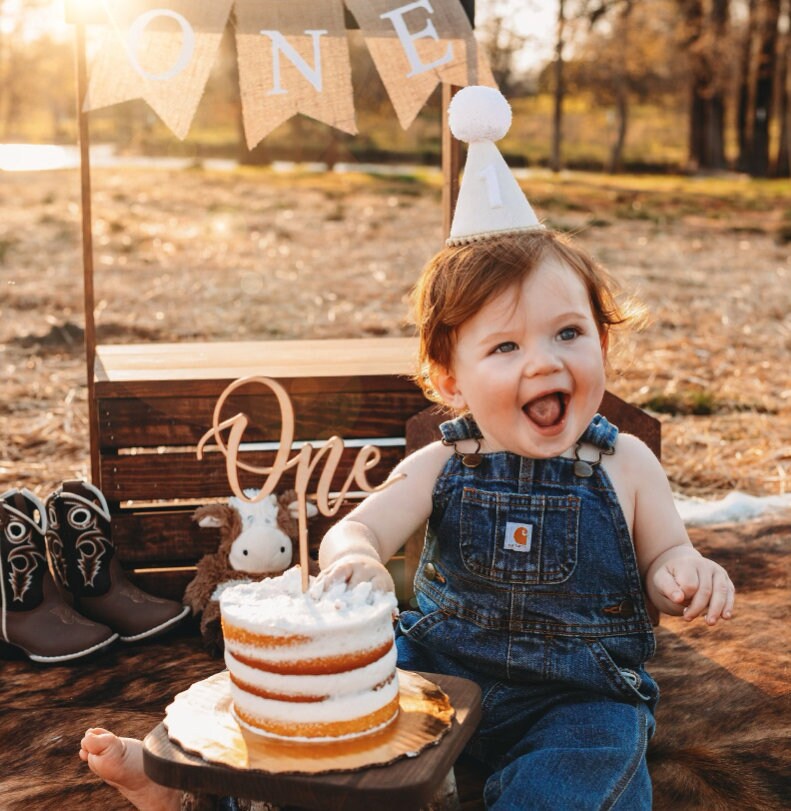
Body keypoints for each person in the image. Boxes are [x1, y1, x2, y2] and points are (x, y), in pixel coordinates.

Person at [79, 87, 734, 810]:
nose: (542, 362)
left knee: (586, 772)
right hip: (433, 674)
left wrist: (683, 573)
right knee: (328, 736)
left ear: (601, 341)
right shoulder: (442, 463)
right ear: (451, 380)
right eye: (506, 345)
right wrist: (356, 555)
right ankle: (194, 791)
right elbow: (361, 524)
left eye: (567, 333)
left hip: (577, 696)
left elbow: (663, 556)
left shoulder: (627, 464)